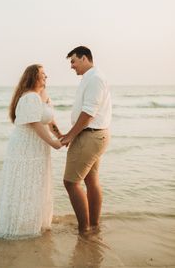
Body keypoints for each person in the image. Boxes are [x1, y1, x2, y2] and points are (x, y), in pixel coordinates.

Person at [0, 64, 62, 240]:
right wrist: (53, 143)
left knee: (36, 183)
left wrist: (61, 136)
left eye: (46, 73)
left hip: (38, 147)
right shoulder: (30, 97)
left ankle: (34, 221)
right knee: (26, 183)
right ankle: (20, 227)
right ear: (34, 77)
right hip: (26, 147)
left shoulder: (42, 97)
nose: (46, 76)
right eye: (42, 74)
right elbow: (35, 123)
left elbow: (49, 120)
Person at [61, 46, 112, 234]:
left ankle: (84, 230)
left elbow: (88, 113)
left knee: (71, 183)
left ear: (84, 58)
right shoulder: (89, 78)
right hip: (92, 135)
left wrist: (70, 136)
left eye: (73, 61)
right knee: (91, 181)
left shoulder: (95, 78)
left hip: (90, 135)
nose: (71, 66)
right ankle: (93, 225)